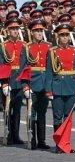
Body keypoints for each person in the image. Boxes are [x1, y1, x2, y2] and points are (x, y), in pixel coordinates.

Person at [44, 23, 75, 153]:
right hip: (57, 87)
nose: (64, 37)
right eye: (62, 35)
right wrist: (48, 90)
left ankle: (66, 143)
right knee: (57, 117)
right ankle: (58, 145)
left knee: (68, 117)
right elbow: (49, 72)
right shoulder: (52, 52)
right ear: (58, 37)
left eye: (66, 35)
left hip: (71, 87)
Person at [0, 16, 28, 144]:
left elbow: (26, 65)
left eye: (17, 29)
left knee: (17, 109)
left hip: (19, 81)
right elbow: (2, 65)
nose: (15, 31)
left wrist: (26, 83)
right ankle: (8, 134)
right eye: (12, 29)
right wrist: (4, 83)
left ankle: (15, 134)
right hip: (9, 80)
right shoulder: (3, 46)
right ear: (8, 30)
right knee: (7, 108)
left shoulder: (24, 45)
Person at [24, 20, 52, 149]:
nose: (39, 33)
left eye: (41, 31)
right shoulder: (27, 47)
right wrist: (25, 86)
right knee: (32, 112)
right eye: (37, 31)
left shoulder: (49, 46)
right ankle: (32, 140)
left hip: (45, 84)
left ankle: (42, 140)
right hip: (33, 83)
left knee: (42, 112)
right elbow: (23, 68)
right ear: (32, 33)